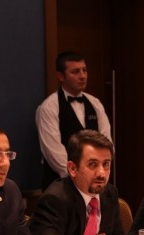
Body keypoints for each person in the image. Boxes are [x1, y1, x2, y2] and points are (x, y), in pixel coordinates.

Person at [29, 130, 125, 235]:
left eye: (106, 164)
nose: (102, 173)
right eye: (92, 164)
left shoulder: (109, 193)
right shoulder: (55, 199)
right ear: (72, 169)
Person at [36, 51, 112, 189]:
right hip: (60, 185)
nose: (82, 76)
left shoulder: (95, 104)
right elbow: (53, 152)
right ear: (60, 76)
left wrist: (98, 173)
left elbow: (107, 144)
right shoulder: (49, 107)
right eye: (75, 72)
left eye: (84, 70)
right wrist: (78, 179)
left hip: (94, 183)